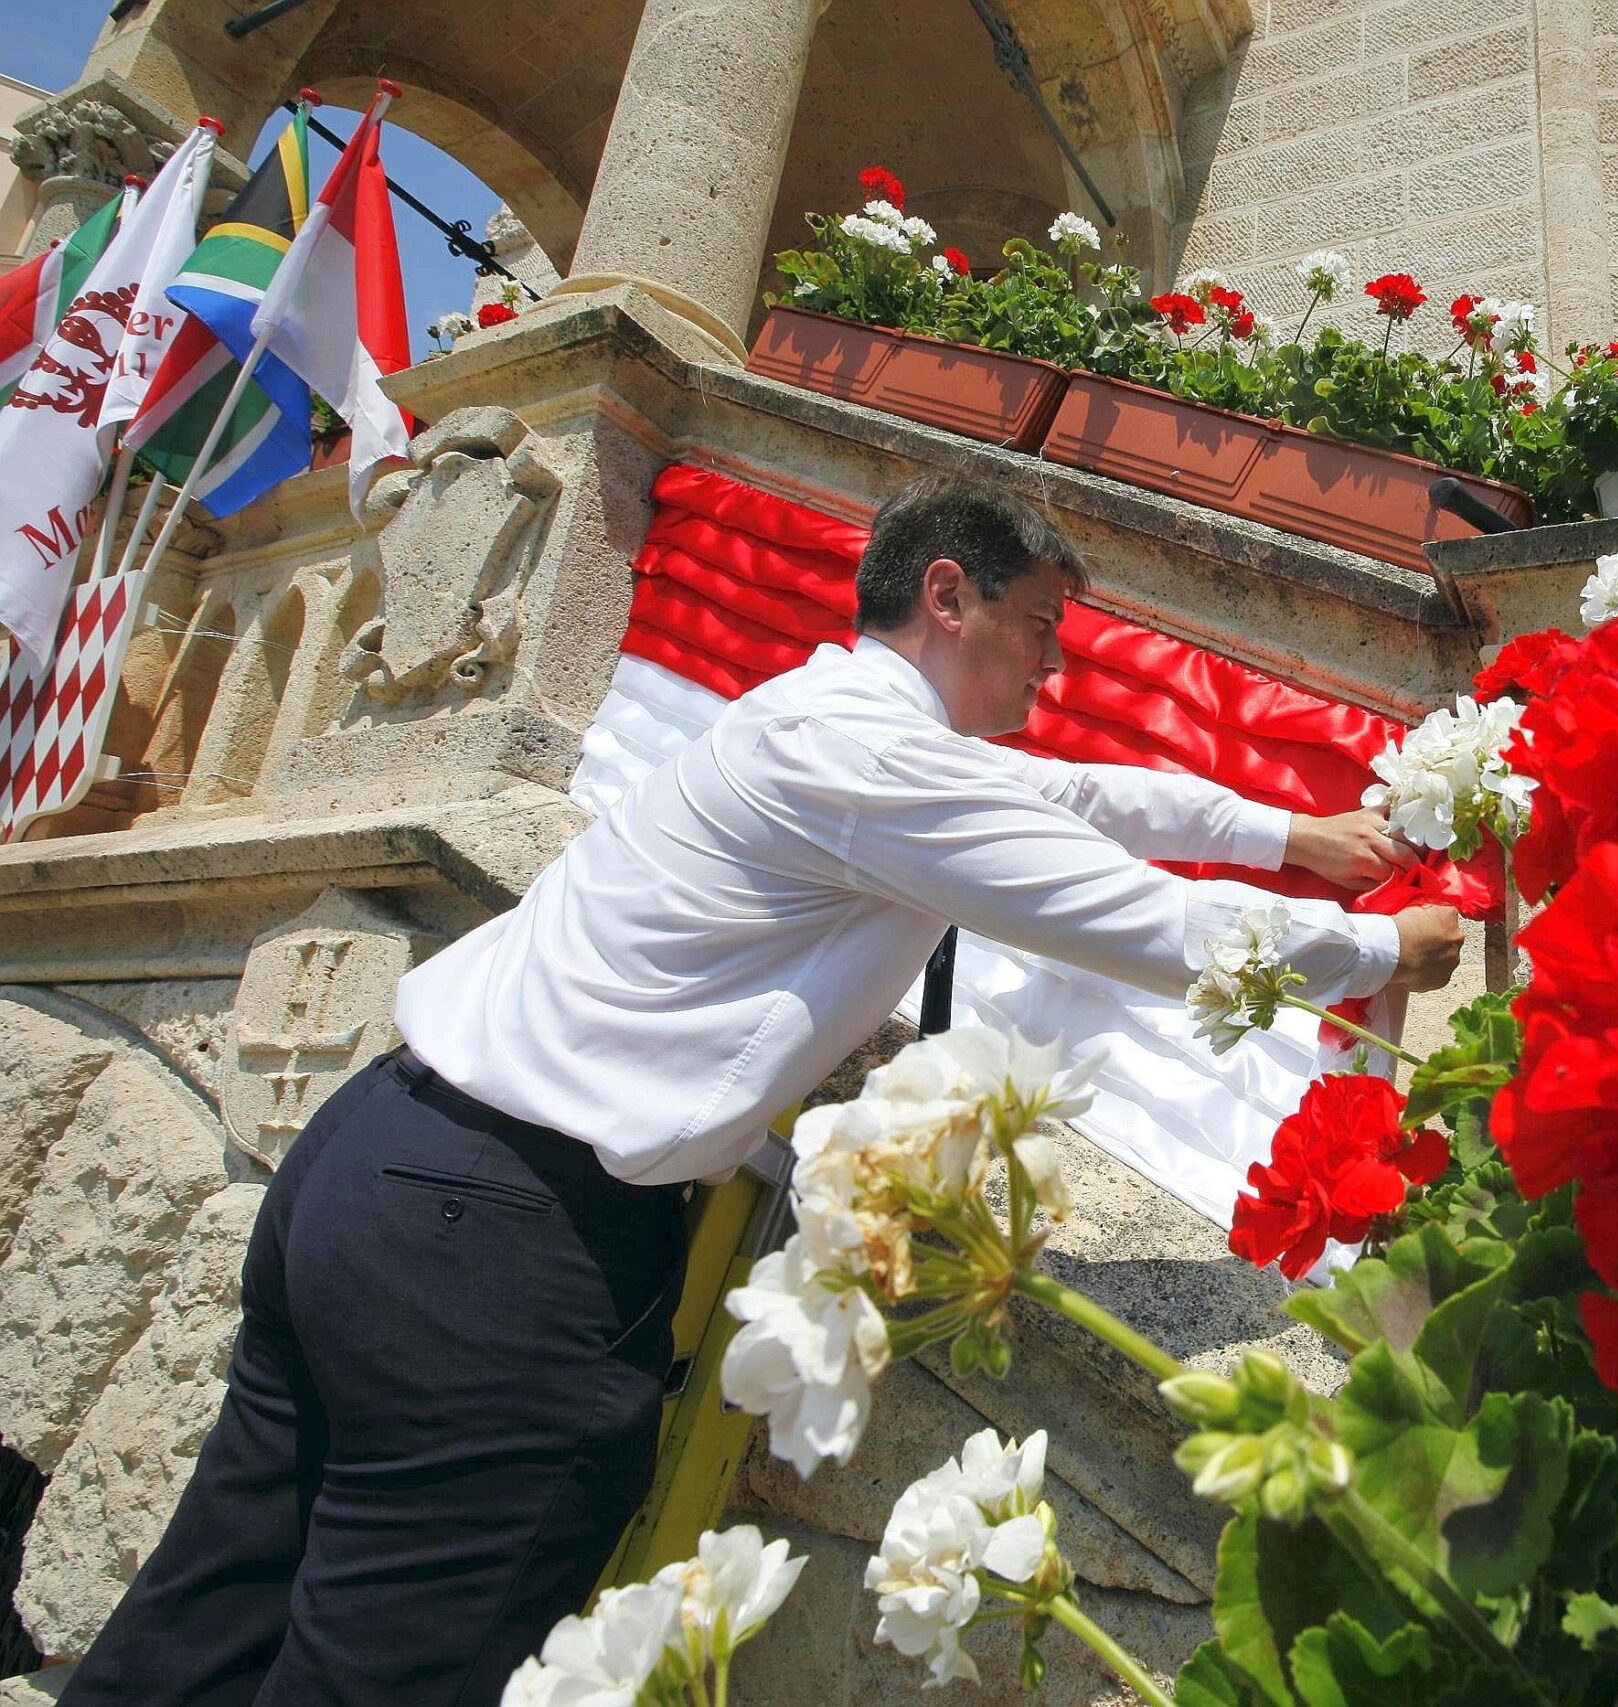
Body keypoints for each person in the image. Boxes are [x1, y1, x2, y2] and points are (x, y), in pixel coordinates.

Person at [68, 474, 1465, 1704]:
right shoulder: (868, 764)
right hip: (493, 1247)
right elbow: (1132, 918)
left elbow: (1088, 802)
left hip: (377, 1164)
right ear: (947, 596)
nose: (1051, 667)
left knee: (206, 1613)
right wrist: (1374, 947)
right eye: (1041, 628)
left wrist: (1289, 829)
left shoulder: (829, 724)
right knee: (390, 1668)